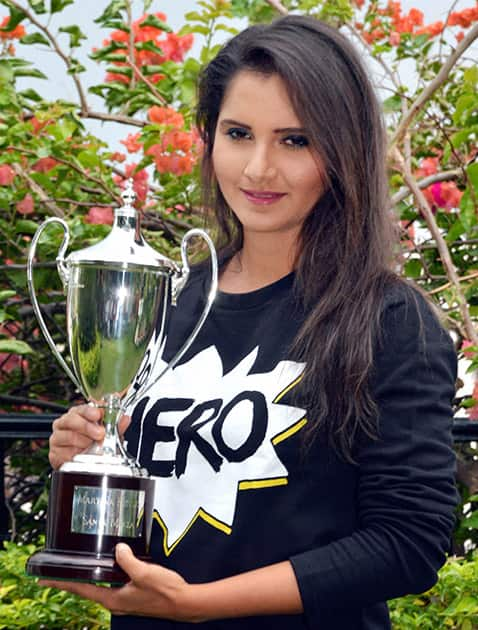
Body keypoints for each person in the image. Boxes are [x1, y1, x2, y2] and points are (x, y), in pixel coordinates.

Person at [44, 14, 458, 630]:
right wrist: (81, 458)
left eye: (295, 140)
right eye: (239, 133)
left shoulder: (390, 320)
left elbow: (408, 542)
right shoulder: (172, 302)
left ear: (343, 152)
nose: (259, 169)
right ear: (209, 139)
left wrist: (197, 606)